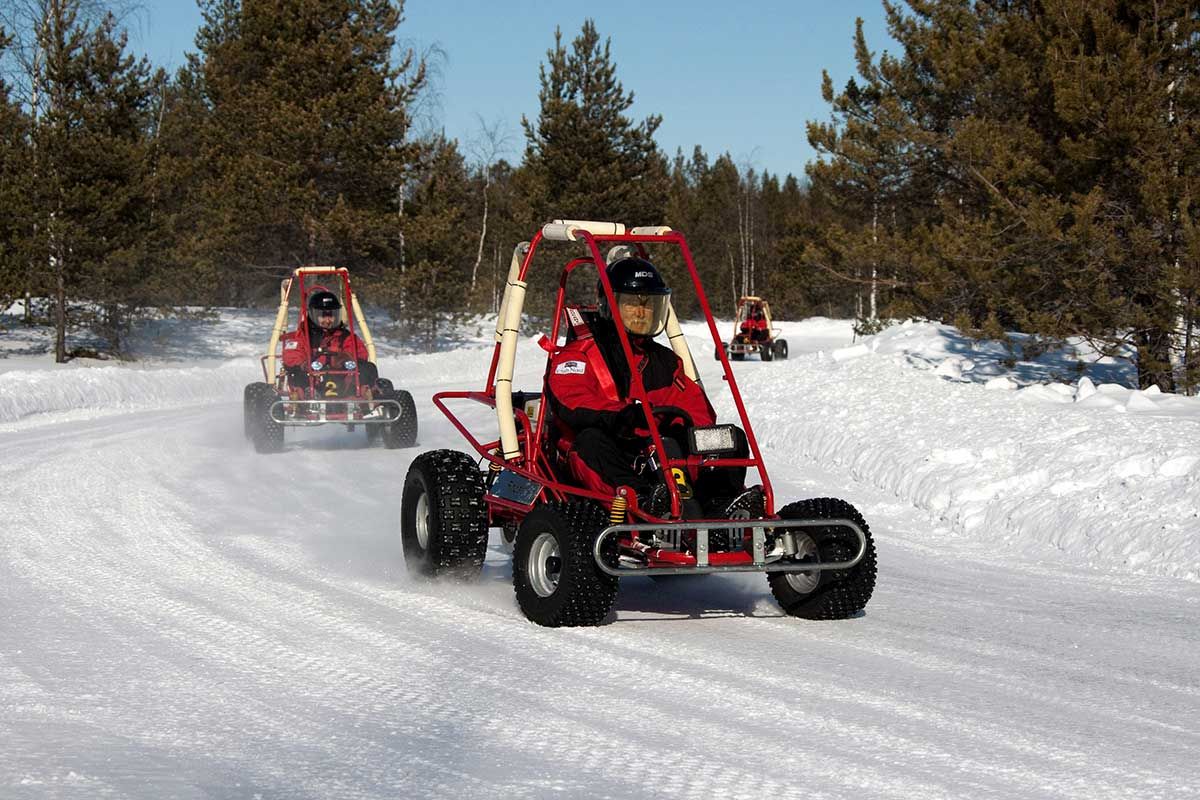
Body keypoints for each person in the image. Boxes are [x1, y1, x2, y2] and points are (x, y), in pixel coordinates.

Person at [546, 257, 748, 516]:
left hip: (654, 450)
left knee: (727, 437)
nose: (642, 313)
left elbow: (693, 405)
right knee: (590, 441)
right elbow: (572, 398)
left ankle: (719, 503)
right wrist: (623, 415)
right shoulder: (579, 355)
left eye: (650, 305)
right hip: (605, 446)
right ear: (610, 305)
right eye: (632, 304)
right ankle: (643, 503)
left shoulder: (663, 361)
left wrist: (687, 430)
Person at [282, 290, 379, 393]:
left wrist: (344, 359)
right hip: (312, 381)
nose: (328, 320)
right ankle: (305, 399)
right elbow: (291, 355)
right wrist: (304, 364)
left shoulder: (345, 336)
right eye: (323, 316)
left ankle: (371, 400)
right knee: (297, 372)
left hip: (344, 382)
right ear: (313, 315)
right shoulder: (302, 336)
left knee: (368, 368)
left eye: (331, 315)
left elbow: (360, 353)